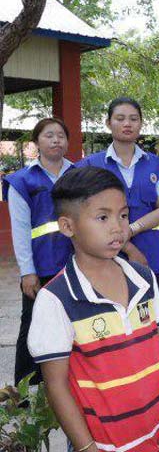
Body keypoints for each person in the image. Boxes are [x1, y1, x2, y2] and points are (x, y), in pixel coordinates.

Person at [27, 166, 159, 452]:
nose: (118, 227)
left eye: (123, 215)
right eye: (102, 217)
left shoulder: (144, 279)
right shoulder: (56, 299)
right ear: (68, 226)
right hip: (103, 445)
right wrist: (86, 448)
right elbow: (56, 385)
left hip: (158, 434)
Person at [77, 97, 159, 344]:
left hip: (152, 257)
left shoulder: (155, 165)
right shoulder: (92, 165)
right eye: (120, 118)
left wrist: (131, 229)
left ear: (141, 124)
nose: (127, 124)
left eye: (133, 119)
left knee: (155, 319)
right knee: (112, 321)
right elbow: (89, 212)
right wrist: (128, 246)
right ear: (108, 123)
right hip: (107, 256)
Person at [2, 118, 74, 386]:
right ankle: (23, 393)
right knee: (32, 326)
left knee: (73, 325)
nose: (56, 140)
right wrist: (27, 272)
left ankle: (68, 385)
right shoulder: (22, 181)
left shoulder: (77, 174)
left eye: (60, 136)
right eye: (48, 135)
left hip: (75, 265)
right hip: (41, 268)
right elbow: (20, 231)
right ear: (36, 143)